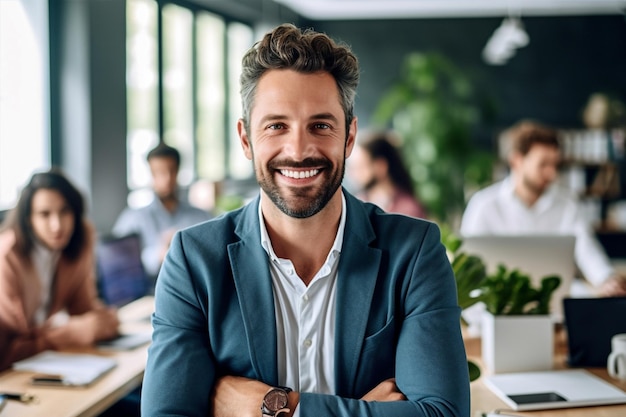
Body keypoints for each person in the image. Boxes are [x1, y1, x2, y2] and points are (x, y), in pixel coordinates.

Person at [141, 23, 469, 416]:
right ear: (246, 140)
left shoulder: (413, 253)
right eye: (276, 126)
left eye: (320, 126)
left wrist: (278, 407)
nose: (298, 150)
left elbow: (443, 413)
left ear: (349, 138)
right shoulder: (193, 260)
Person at [460, 120, 626, 296]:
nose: (552, 173)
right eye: (543, 164)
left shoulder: (567, 204)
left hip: (555, 298)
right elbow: (467, 265)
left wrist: (607, 278)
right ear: (517, 161)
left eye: (555, 165)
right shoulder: (483, 205)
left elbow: (587, 250)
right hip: (496, 299)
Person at [0, 168, 119, 371]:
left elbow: (85, 309)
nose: (57, 225)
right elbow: (8, 350)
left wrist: (100, 323)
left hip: (47, 362)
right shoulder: (7, 256)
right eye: (45, 214)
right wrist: (70, 333)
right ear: (29, 219)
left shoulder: (80, 238)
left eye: (64, 211)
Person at [112, 142, 212, 278]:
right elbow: (117, 265)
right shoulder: (133, 219)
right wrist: (159, 253)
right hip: (150, 292)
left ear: (178, 171)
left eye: (172, 171)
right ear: (151, 174)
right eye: (159, 172)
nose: (167, 178)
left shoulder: (202, 218)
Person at [348, 130, 427, 218]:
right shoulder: (357, 205)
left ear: (381, 166)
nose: (354, 174)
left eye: (361, 167)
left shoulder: (408, 210)